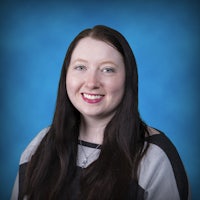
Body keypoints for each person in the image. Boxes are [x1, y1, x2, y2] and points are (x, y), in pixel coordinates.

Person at [11, 25, 190, 200]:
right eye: (80, 67)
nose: (91, 82)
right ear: (66, 75)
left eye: (107, 70)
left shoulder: (154, 156)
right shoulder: (40, 146)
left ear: (128, 79)